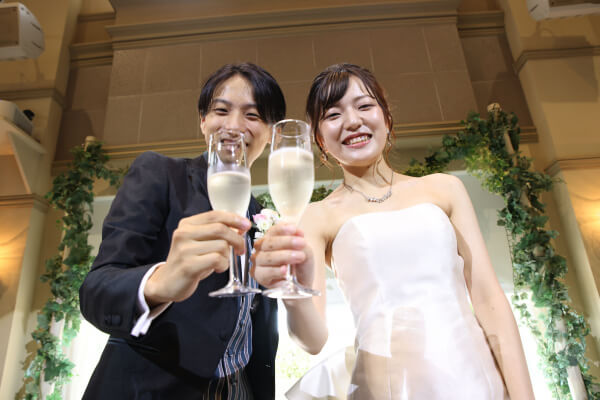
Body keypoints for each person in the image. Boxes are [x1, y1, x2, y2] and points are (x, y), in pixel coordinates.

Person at [252, 63, 535, 399]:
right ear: (320, 140)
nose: (352, 121)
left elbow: (489, 300)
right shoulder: (317, 217)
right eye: (333, 114)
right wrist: (291, 294)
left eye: (364, 106)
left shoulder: (445, 189)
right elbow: (312, 341)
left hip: (474, 380)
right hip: (385, 387)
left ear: (386, 118)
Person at [79, 63, 285, 399]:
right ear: (203, 120)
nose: (234, 126)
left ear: (271, 132)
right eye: (221, 111)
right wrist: (158, 284)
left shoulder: (263, 216)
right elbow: (95, 291)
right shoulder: (160, 175)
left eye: (252, 115)